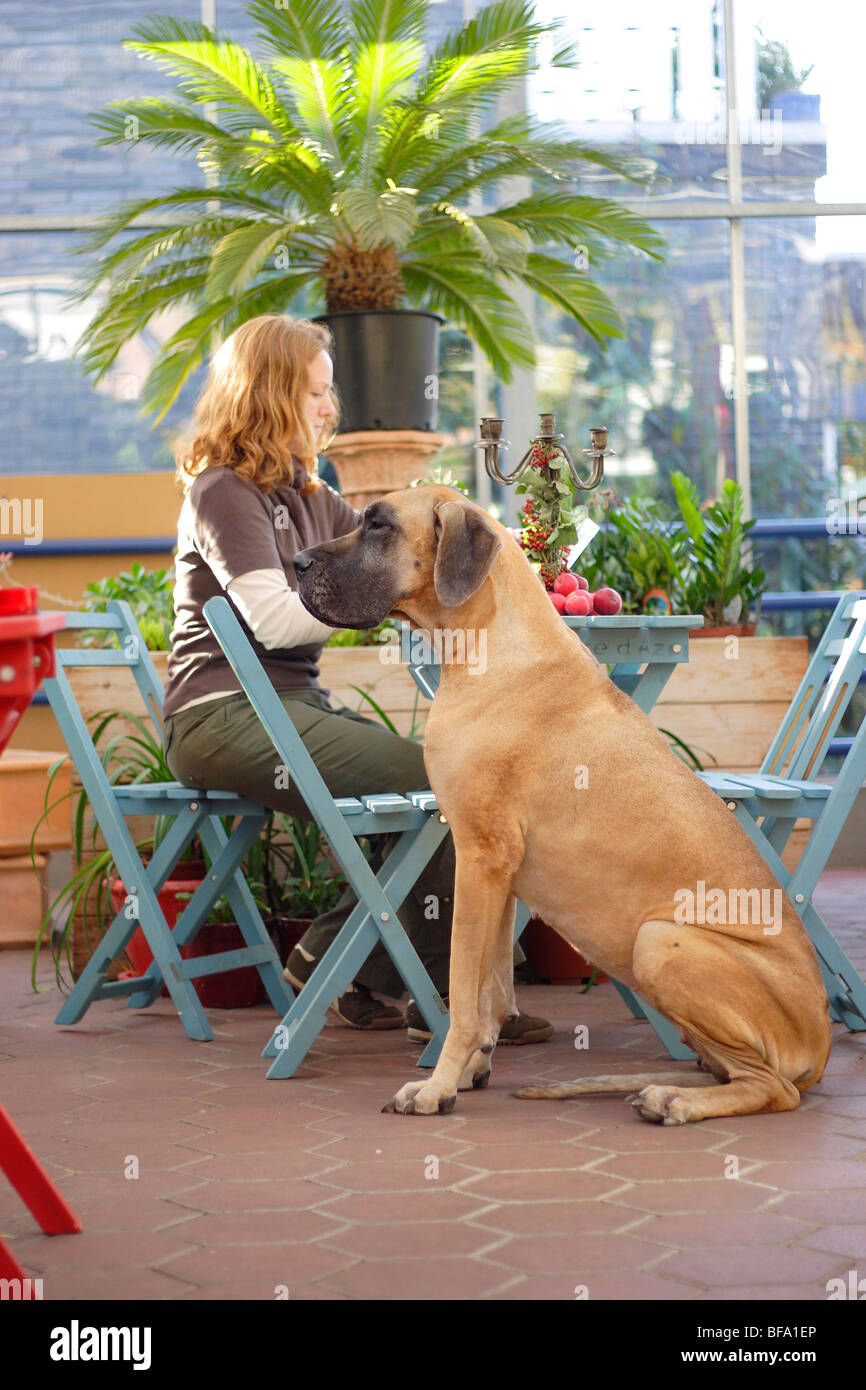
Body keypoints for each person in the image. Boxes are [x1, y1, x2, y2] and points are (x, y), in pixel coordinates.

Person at [161, 314, 552, 1044]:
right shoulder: (222, 492)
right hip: (220, 715)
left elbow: (393, 559)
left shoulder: (313, 495)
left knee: (448, 779)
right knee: (451, 783)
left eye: (329, 392)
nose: (331, 410)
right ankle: (443, 994)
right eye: (315, 393)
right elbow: (277, 622)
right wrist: (384, 603)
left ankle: (339, 962)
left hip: (294, 707)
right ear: (270, 394)